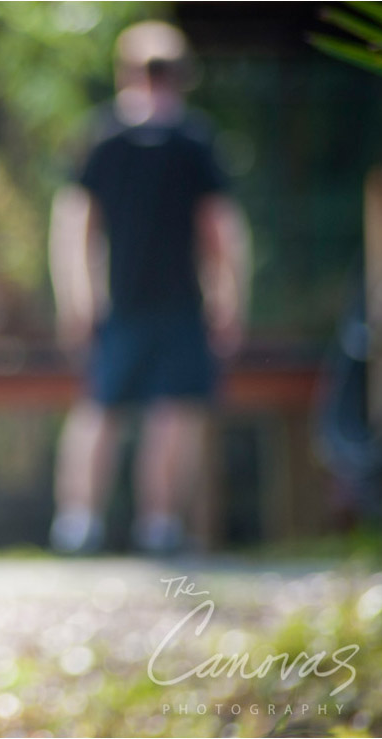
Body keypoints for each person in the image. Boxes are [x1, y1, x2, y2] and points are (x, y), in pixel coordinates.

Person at [48, 21, 251, 554]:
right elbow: (76, 225)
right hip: (121, 306)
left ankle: (153, 526)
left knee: (169, 413)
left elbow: (218, 230)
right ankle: (80, 523)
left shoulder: (184, 140)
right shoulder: (118, 138)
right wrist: (78, 296)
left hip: (181, 304)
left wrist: (227, 297)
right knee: (103, 410)